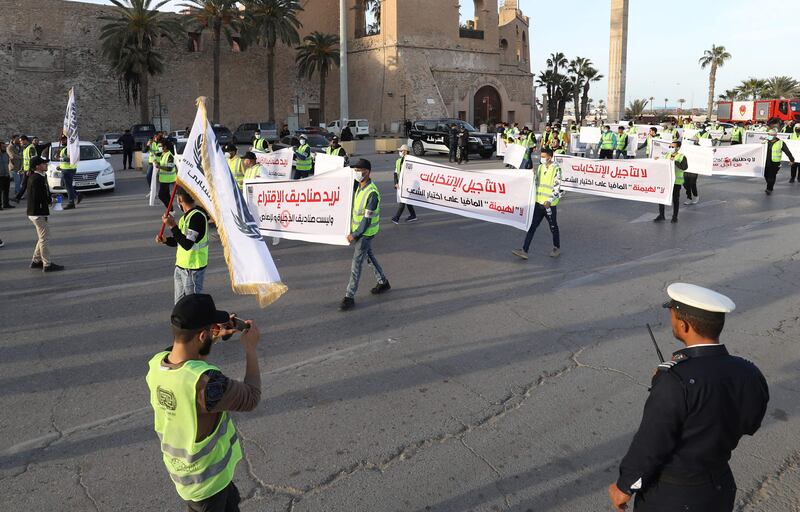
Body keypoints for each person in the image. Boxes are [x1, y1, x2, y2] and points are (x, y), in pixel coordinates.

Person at [609, 283, 768, 512]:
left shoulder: (675, 379)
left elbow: (650, 444)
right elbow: (750, 423)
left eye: (672, 316)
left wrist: (624, 487)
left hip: (671, 498)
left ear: (683, 325)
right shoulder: (749, 372)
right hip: (719, 489)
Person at [146, 293, 261, 512]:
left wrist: (214, 335)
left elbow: (183, 354)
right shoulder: (207, 384)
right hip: (208, 484)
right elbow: (252, 396)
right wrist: (250, 349)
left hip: (187, 474)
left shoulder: (156, 365)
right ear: (201, 336)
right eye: (210, 330)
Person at [340, 158, 390, 311]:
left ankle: (349, 296)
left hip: (365, 233)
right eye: (355, 170)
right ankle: (383, 282)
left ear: (367, 172)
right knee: (369, 257)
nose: (356, 173)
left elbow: (367, 220)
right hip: (359, 231)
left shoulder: (372, 193)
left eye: (359, 170)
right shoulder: (359, 187)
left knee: (357, 264)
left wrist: (354, 235)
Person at [156, 187, 210, 303]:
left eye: (176, 198)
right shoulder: (185, 217)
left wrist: (172, 225)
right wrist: (166, 240)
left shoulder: (197, 217)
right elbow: (179, 240)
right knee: (180, 306)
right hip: (181, 266)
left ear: (179, 199)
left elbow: (187, 244)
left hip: (193, 269)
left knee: (192, 306)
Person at [512, 147, 561, 260]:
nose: (542, 158)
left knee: (553, 227)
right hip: (538, 204)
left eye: (543, 157)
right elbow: (536, 183)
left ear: (550, 157)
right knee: (532, 226)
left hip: (549, 205)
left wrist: (549, 201)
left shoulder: (556, 169)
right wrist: (531, 176)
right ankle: (524, 250)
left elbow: (557, 188)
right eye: (541, 156)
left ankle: (556, 247)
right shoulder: (540, 167)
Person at [27, 156, 64, 272]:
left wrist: (49, 197)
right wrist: (50, 201)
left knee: (42, 238)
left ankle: (36, 261)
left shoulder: (37, 176)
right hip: (38, 213)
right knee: (44, 239)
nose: (46, 165)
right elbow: (38, 197)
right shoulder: (37, 179)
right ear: (38, 166)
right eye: (44, 163)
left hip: (36, 212)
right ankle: (47, 264)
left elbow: (41, 194)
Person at [654, 140, 687, 223]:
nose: (671, 148)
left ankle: (675, 216)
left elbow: (684, 167)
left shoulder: (682, 156)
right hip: (666, 180)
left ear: (678, 148)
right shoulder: (668, 155)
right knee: (661, 198)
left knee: (675, 199)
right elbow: (663, 163)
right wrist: (657, 160)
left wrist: (675, 162)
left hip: (676, 181)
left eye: (673, 146)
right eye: (670, 146)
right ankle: (661, 215)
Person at [391, 145, 417, 224]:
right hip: (400, 184)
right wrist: (396, 183)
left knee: (403, 200)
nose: (400, 152)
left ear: (405, 151)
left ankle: (396, 217)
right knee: (407, 200)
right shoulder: (398, 161)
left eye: (401, 150)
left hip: (408, 185)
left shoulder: (412, 161)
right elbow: (395, 173)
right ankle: (413, 215)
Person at [763, 128, 794, 195]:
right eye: (768, 134)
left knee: (772, 176)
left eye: (771, 135)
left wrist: (791, 160)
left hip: (775, 163)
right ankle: (770, 185)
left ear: (775, 135)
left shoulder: (781, 143)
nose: (769, 136)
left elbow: (787, 152)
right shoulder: (765, 141)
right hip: (765, 162)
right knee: (766, 175)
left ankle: (769, 189)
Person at [58, 134, 82, 210]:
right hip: (65, 169)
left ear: (67, 141)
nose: (62, 141)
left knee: (68, 187)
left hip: (68, 170)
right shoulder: (64, 148)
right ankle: (78, 194)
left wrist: (59, 158)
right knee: (64, 185)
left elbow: (70, 159)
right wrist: (60, 166)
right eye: (62, 140)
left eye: (64, 140)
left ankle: (71, 203)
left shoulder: (68, 149)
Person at [13, 135, 36, 203]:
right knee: (25, 185)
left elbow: (33, 160)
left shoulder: (31, 148)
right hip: (27, 170)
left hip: (31, 170)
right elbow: (25, 160)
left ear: (25, 140)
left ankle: (18, 198)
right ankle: (18, 198)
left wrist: (30, 169)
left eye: (21, 141)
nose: (20, 142)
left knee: (29, 185)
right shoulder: (25, 148)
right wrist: (22, 169)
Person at [156, 139, 177, 208]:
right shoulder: (163, 154)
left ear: (165, 147)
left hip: (167, 179)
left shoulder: (169, 155)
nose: (159, 147)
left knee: (161, 195)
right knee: (166, 195)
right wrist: (157, 163)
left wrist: (159, 166)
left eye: (160, 146)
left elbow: (169, 168)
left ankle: (170, 210)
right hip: (163, 179)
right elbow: (163, 164)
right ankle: (171, 210)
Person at [0, 141, 12, 210]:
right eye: (3, 146)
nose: (5, 147)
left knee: (6, 190)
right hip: (0, 176)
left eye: (5, 146)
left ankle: (6, 204)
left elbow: (7, 163)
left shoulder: (5, 154)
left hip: (6, 175)